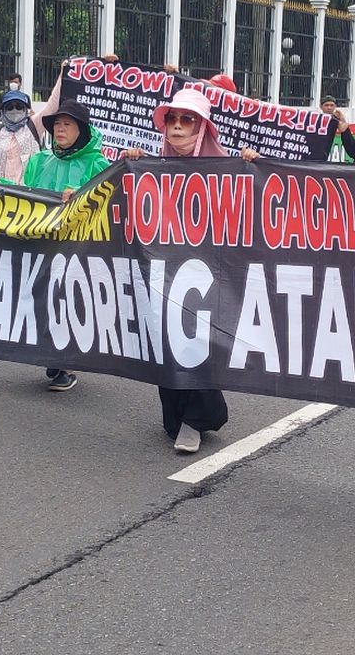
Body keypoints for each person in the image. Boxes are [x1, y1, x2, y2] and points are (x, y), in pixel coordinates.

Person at [122, 88, 234, 453]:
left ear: (202, 127)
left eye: (188, 121)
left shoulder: (229, 169)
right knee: (166, 342)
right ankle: (178, 416)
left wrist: (252, 164)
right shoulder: (152, 167)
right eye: (173, 119)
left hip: (209, 276)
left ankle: (199, 418)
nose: (178, 127)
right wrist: (131, 166)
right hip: (165, 272)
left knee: (197, 342)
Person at [0, 99, 110, 391]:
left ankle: (64, 362)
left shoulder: (98, 163)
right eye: (56, 124)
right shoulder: (41, 160)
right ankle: (53, 355)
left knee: (66, 301)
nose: (60, 129)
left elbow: (107, 200)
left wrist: (81, 194)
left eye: (67, 124)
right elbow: (23, 192)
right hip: (42, 242)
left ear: (82, 129)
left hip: (76, 247)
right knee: (42, 299)